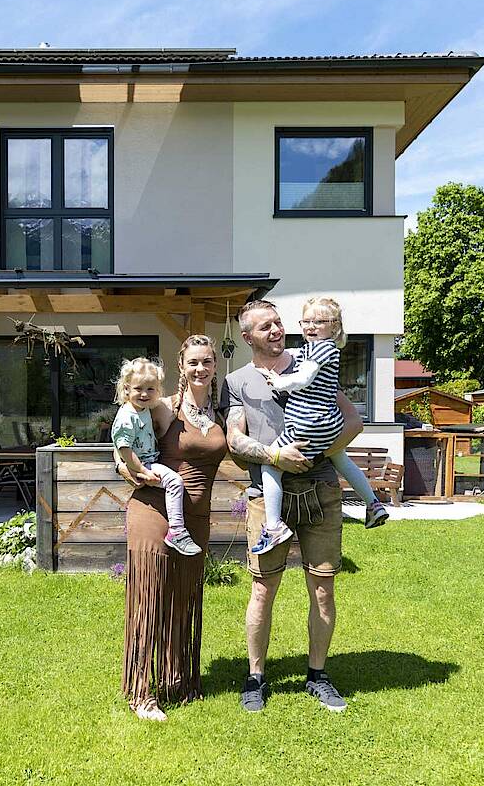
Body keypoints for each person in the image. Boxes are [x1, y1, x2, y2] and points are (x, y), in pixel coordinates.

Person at [220, 300, 362, 714]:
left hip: (320, 489)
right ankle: (256, 677)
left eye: (278, 322)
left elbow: (353, 419)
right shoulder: (237, 381)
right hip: (268, 495)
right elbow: (234, 438)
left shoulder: (312, 357)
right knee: (263, 589)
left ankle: (317, 676)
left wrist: (321, 453)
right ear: (247, 337)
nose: (277, 330)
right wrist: (275, 457)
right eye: (265, 327)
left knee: (323, 587)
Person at [114, 335, 225, 721]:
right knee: (152, 597)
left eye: (207, 361)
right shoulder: (163, 407)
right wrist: (128, 470)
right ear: (182, 366)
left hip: (195, 518)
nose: (200, 368)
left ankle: (178, 678)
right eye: (193, 362)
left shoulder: (222, 414)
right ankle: (142, 692)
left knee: (182, 599)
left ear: (215, 366)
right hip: (153, 508)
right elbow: (122, 438)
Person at [251, 297, 388, 554]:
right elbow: (294, 355)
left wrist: (278, 381)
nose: (311, 326)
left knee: (270, 467)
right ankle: (373, 504)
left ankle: (273, 526)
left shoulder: (320, 350)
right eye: (307, 321)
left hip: (308, 422)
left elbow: (303, 377)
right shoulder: (319, 349)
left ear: (334, 327)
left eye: (320, 321)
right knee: (342, 460)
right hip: (329, 423)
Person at [111, 358, 201, 556]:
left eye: (151, 389)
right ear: (127, 389)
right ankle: (176, 531)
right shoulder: (127, 416)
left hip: (149, 462)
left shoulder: (142, 409)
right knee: (175, 482)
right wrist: (142, 471)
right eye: (138, 388)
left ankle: (176, 530)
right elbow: (123, 448)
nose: (144, 394)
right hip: (144, 464)